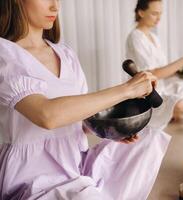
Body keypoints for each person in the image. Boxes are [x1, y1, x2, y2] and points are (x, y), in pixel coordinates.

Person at [0, 0, 170, 199]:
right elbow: (47, 115)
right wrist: (127, 90)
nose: (56, 7)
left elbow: (80, 120)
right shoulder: (6, 54)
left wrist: (112, 130)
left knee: (149, 141)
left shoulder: (66, 54)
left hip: (75, 164)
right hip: (34, 177)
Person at [126, 0, 183, 124]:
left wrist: (182, 74)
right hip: (148, 92)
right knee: (182, 105)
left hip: (163, 85)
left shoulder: (154, 38)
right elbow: (154, 74)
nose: (158, 18)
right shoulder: (135, 37)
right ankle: (172, 111)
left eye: (160, 14)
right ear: (141, 12)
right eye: (154, 13)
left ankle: (171, 111)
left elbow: (163, 69)